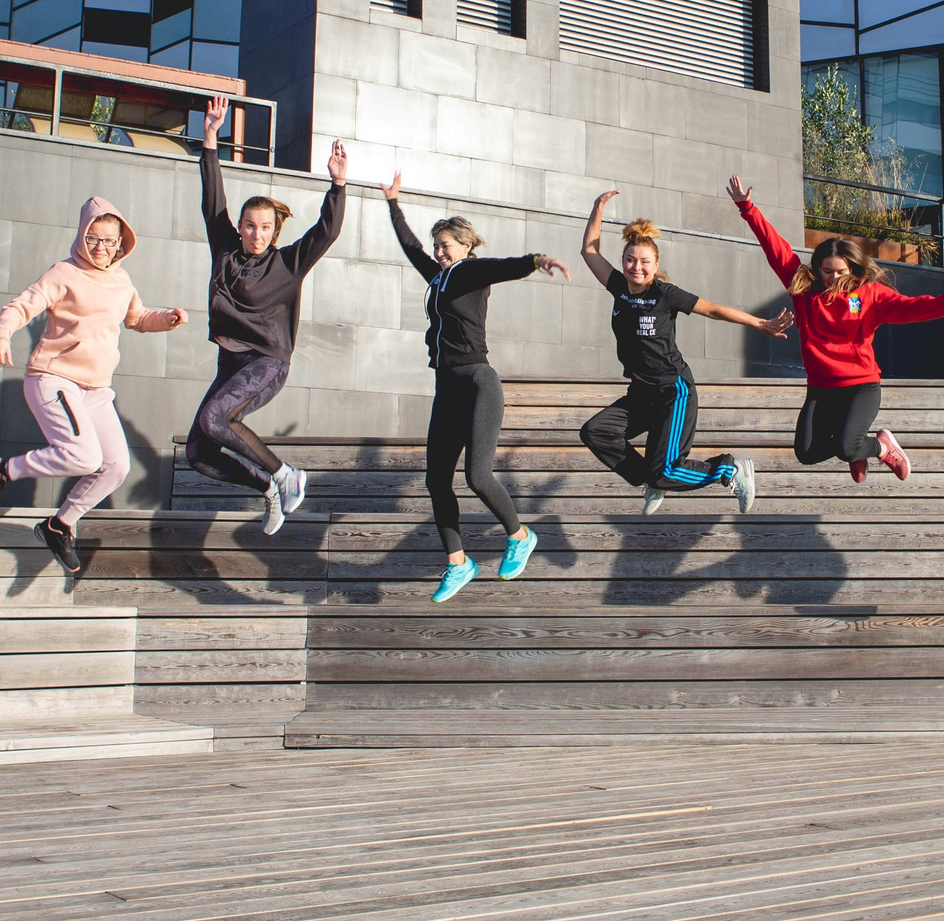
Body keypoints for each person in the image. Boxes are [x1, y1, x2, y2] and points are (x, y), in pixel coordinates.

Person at [0, 199, 188, 573]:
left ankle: (60, 525)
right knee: (84, 456)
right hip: (53, 378)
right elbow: (23, 305)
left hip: (96, 390)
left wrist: (166, 319)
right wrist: (2, 334)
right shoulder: (64, 273)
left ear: (121, 244)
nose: (100, 249)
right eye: (93, 239)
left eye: (109, 242)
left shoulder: (121, 280)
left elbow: (136, 317)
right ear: (81, 236)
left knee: (116, 467)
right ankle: (1, 471)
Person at [386, 174, 569, 602]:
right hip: (447, 387)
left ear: (466, 246)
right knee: (436, 481)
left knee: (477, 475)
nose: (438, 252)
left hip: (478, 382)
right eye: (438, 246)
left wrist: (536, 260)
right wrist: (394, 203)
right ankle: (458, 563)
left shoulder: (469, 272)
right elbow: (411, 246)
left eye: (446, 245)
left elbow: (500, 266)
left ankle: (520, 535)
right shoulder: (438, 278)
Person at [727, 175, 944, 480]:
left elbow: (914, 308)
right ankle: (858, 448)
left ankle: (882, 447)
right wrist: (747, 208)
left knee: (847, 446)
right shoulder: (804, 289)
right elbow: (775, 248)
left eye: (840, 272)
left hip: (861, 386)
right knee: (805, 453)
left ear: (853, 269)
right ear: (818, 268)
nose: (833, 278)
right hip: (821, 387)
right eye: (827, 271)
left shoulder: (870, 295)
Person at [185, 94, 348, 537]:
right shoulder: (225, 248)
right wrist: (210, 140)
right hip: (231, 364)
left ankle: (286, 475)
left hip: (266, 362)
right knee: (199, 453)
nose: (257, 235)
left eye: (265, 228)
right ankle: (271, 486)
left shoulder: (288, 263)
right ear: (239, 227)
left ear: (276, 231)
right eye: (250, 226)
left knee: (216, 419)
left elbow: (327, 232)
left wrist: (336, 186)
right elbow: (212, 198)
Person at [576, 191, 791, 515]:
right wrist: (598, 207)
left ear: (656, 264)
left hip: (671, 392)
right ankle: (651, 479)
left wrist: (760, 324)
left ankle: (729, 469)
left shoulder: (664, 294)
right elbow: (589, 250)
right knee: (595, 431)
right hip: (641, 393)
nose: (637, 267)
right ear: (623, 262)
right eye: (631, 260)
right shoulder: (619, 288)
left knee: (666, 468)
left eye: (644, 262)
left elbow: (714, 310)